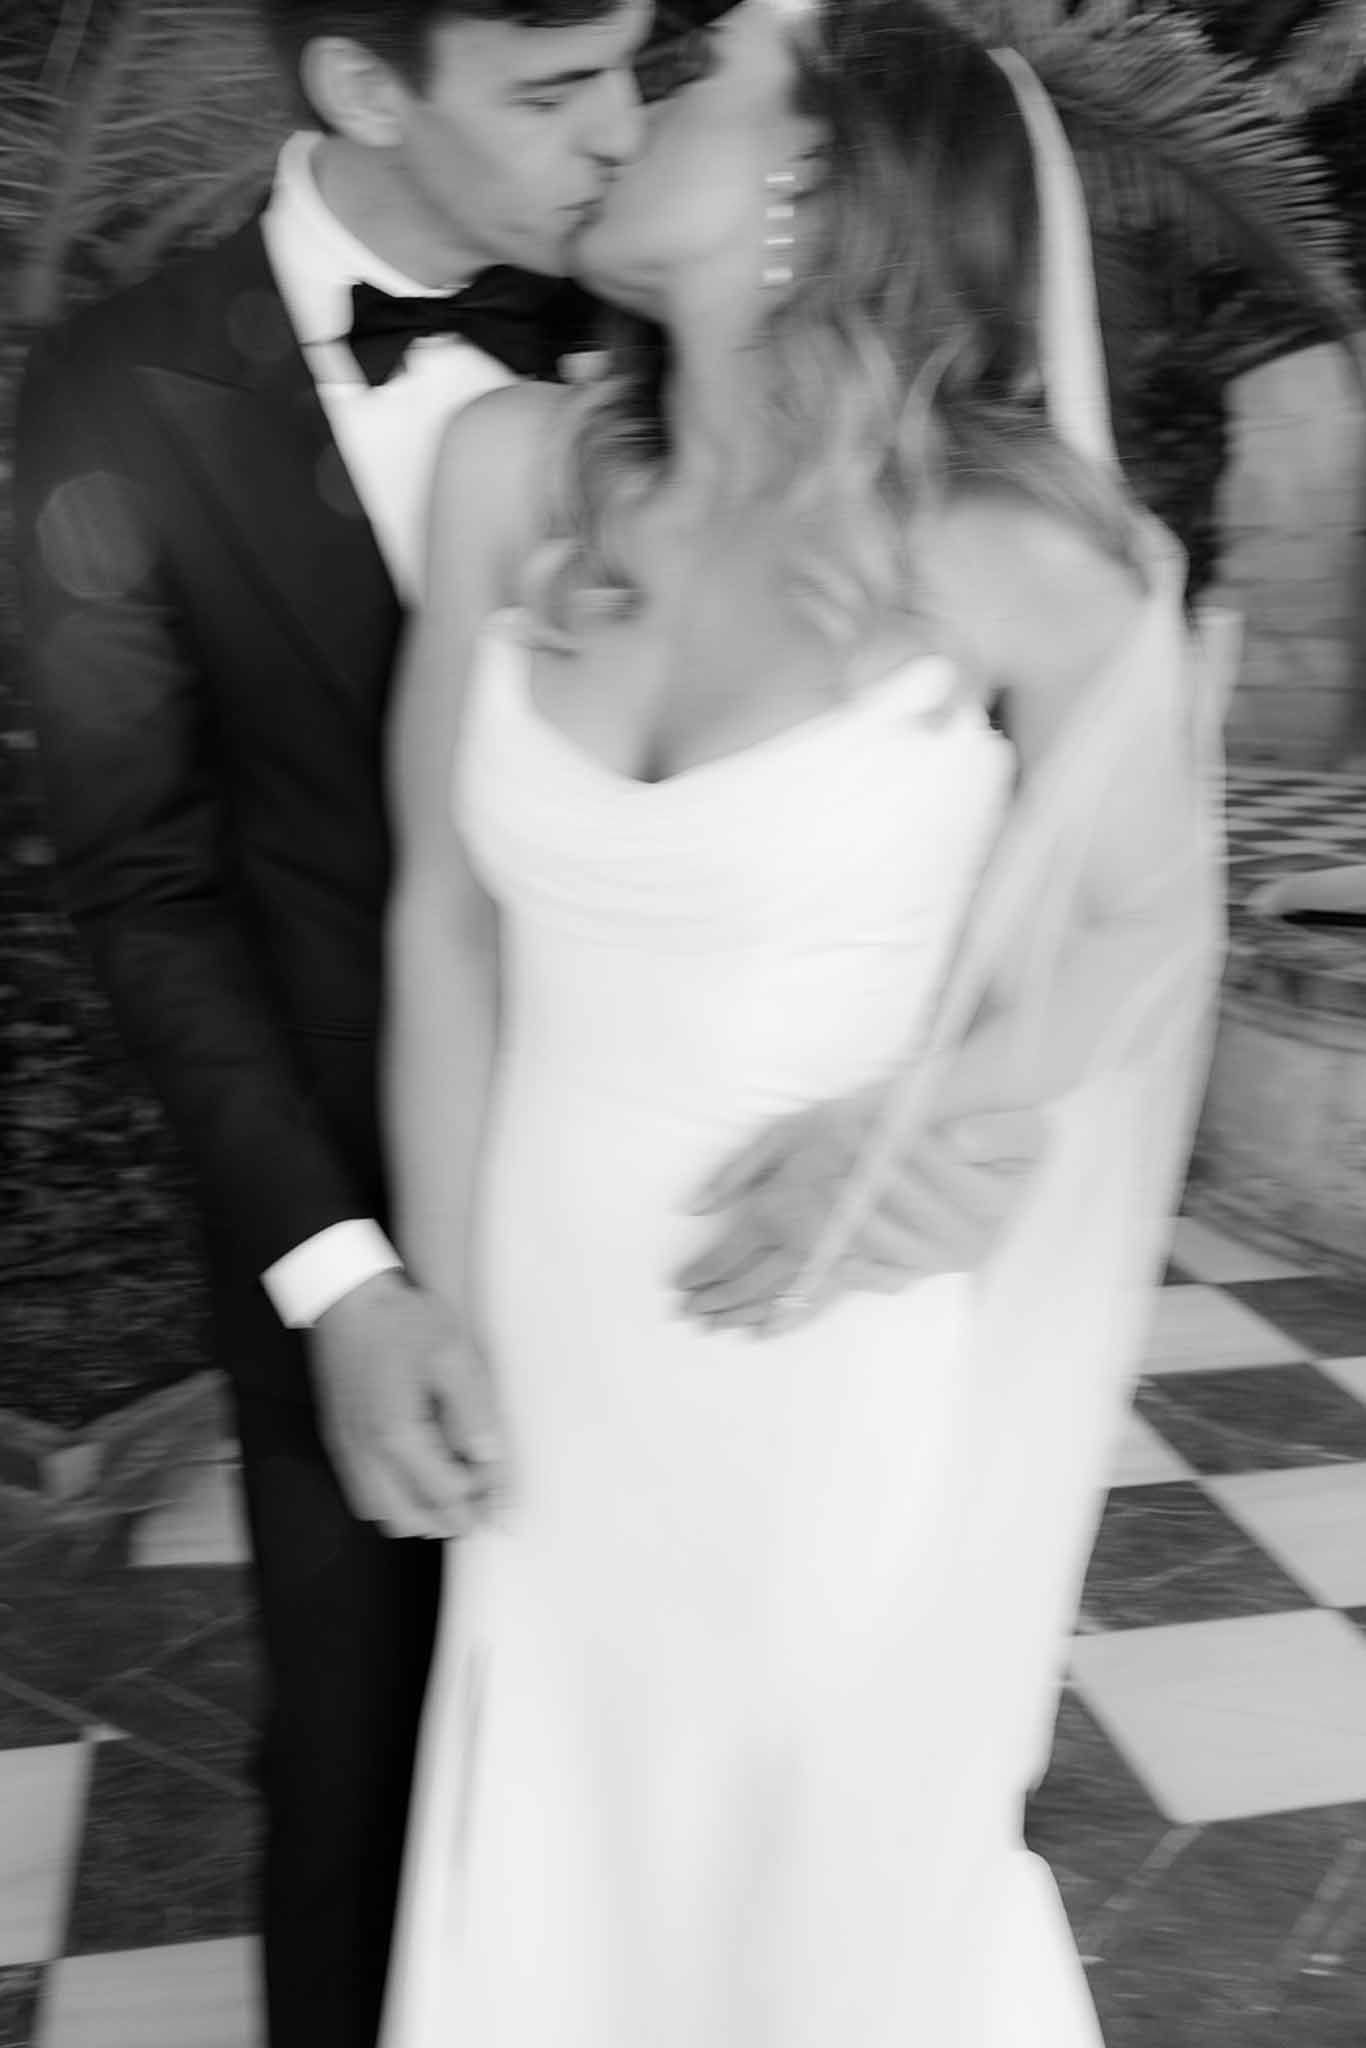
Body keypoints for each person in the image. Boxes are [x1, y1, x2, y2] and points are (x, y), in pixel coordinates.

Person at [377, 2, 1224, 2044]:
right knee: (562, 1856)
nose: (625, 112)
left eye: (695, 80)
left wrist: (922, 1117)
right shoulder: (510, 473)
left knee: (821, 1886)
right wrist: (437, 1297)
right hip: (543, 1347)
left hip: (819, 1341)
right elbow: (443, 920)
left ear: (809, 188)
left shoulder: (1012, 557)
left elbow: (1148, 920)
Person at [13, 5, 658, 2042]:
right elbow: (146, 887)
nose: (620, 131)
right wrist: (340, 1278)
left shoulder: (677, 327)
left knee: (661, 1755)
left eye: (632, 64)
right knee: (366, 1767)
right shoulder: (116, 386)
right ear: (365, 89)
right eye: (551, 88)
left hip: (675, 1194)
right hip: (350, 1226)